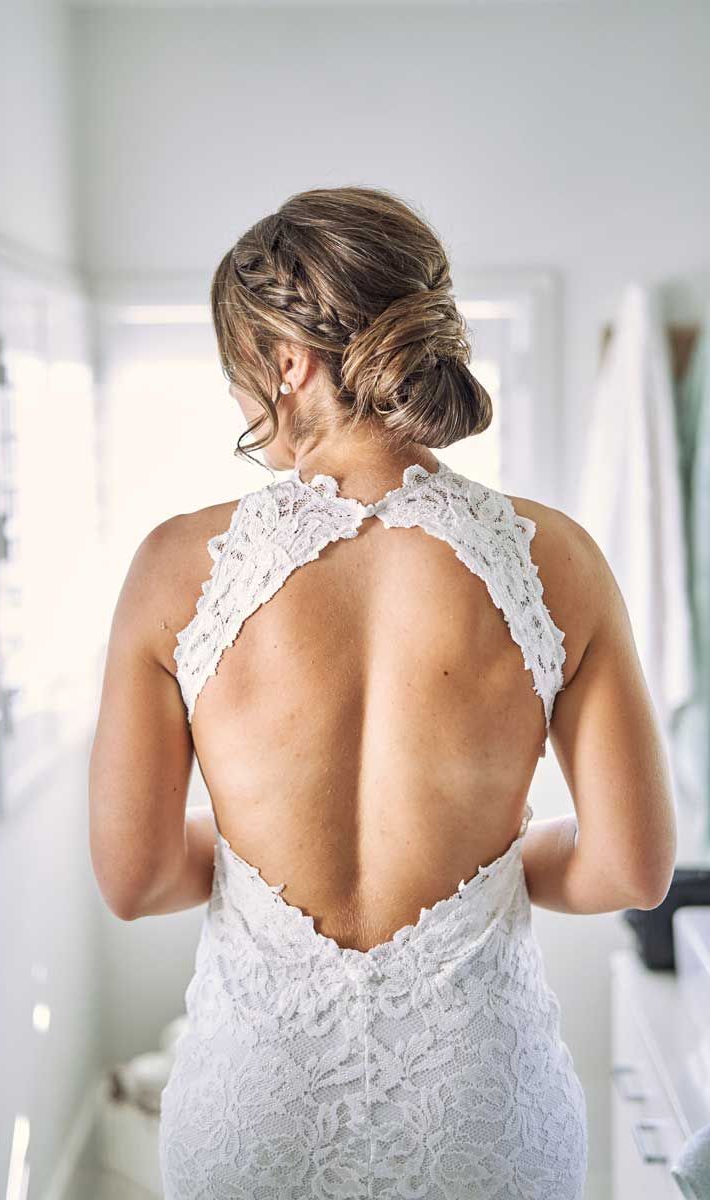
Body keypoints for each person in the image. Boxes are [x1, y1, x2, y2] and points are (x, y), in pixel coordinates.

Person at [88, 185, 677, 1199]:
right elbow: (631, 870)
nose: (239, 399)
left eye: (238, 368)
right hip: (480, 1110)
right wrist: (490, 863)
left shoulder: (174, 567)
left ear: (287, 362)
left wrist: (259, 851)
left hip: (255, 1109)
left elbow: (134, 880)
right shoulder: (556, 558)